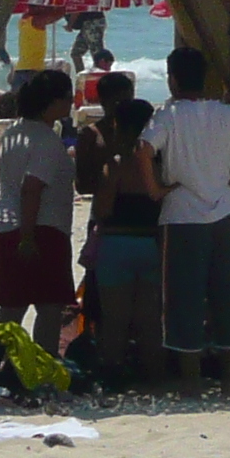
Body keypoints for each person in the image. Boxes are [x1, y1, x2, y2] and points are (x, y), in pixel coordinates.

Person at [143, 46, 230, 388]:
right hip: (224, 209)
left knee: (184, 299)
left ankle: (191, 381)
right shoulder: (228, 114)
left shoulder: (168, 116)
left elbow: (142, 150)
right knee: (229, 295)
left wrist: (155, 189)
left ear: (172, 80)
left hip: (183, 212)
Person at [0, 69, 78, 353]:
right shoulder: (46, 140)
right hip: (41, 229)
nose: (70, 104)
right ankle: (45, 366)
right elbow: (32, 187)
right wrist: (27, 236)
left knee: (12, 307)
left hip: (8, 225)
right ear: (52, 103)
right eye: (67, 99)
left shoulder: (13, 132)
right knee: (49, 309)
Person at [82, 95, 165, 384]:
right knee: (150, 320)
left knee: (114, 319)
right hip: (151, 244)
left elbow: (103, 209)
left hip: (116, 245)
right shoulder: (160, 164)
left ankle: (113, 377)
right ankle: (153, 376)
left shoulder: (117, 164)